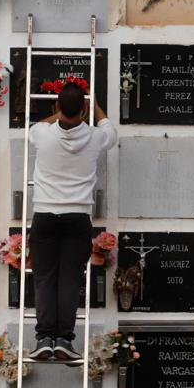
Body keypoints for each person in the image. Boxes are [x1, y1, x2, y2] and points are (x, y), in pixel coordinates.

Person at [26, 82, 117, 362]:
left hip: (45, 215)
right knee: (69, 280)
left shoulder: (41, 134)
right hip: (78, 218)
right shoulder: (95, 137)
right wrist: (94, 107)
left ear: (56, 107)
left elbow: (39, 126)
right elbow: (110, 130)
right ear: (85, 108)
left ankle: (43, 338)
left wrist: (60, 112)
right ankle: (64, 339)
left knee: (44, 279)